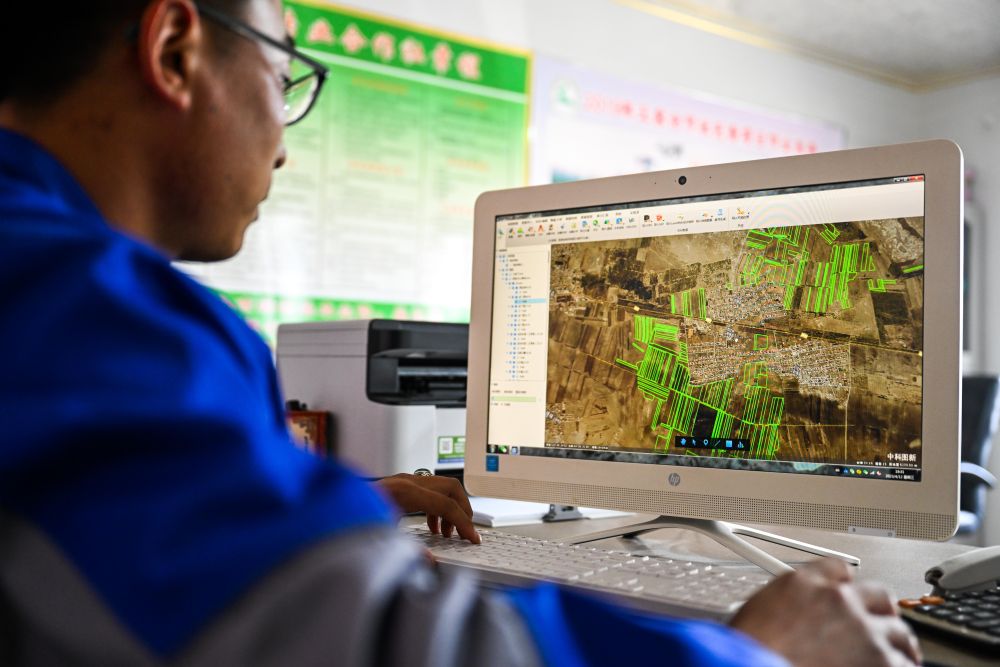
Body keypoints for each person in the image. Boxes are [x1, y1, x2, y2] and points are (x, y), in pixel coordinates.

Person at [0, 1, 921, 665]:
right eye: (286, 80)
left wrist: (333, 503)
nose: (284, 141)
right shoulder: (82, 310)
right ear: (174, 49)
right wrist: (760, 652)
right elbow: (387, 645)